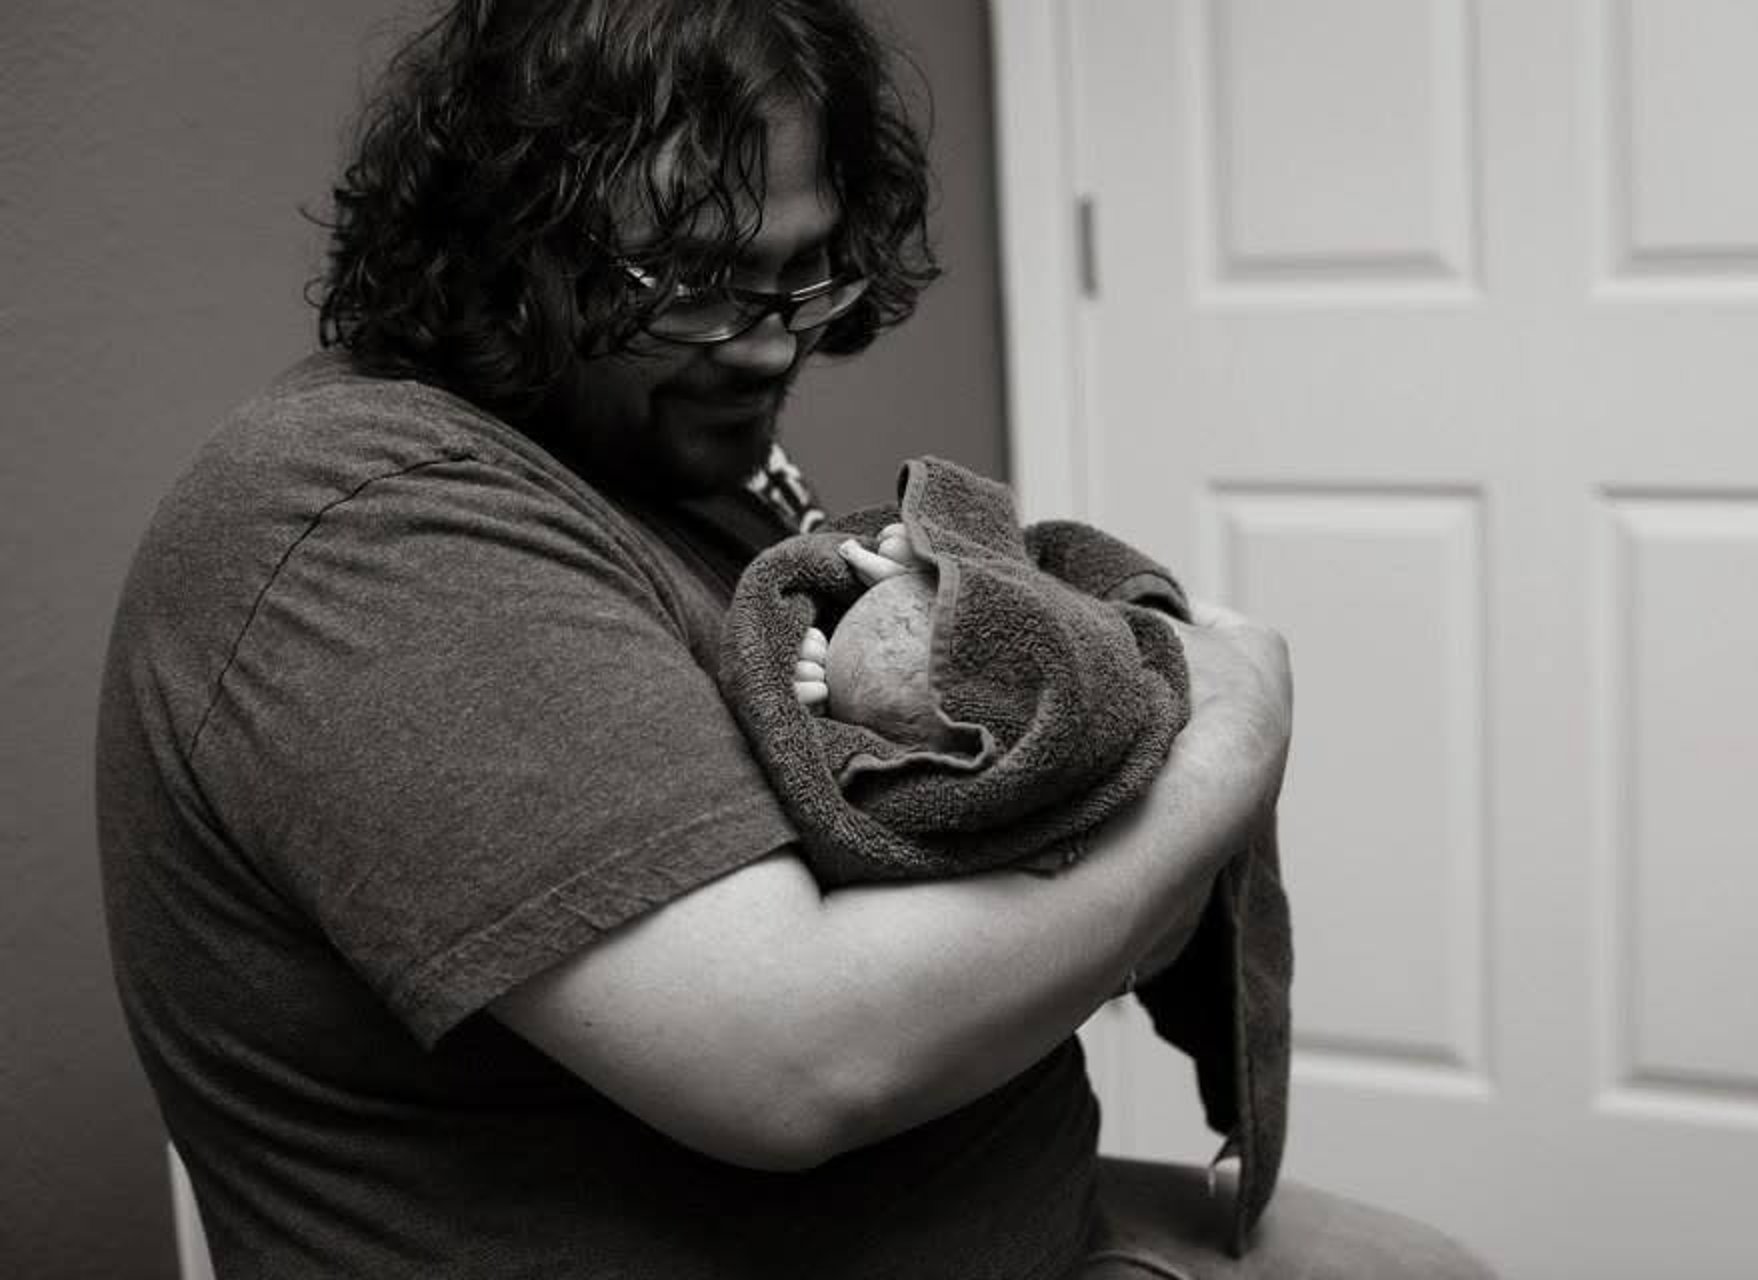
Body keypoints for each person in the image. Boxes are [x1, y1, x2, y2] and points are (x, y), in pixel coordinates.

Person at [95, 2, 1496, 1276]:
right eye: (695, 286)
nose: (772, 348)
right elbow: (806, 1060)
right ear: (498, 249)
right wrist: (1228, 737)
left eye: (806, 274)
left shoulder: (674, 470)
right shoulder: (361, 523)